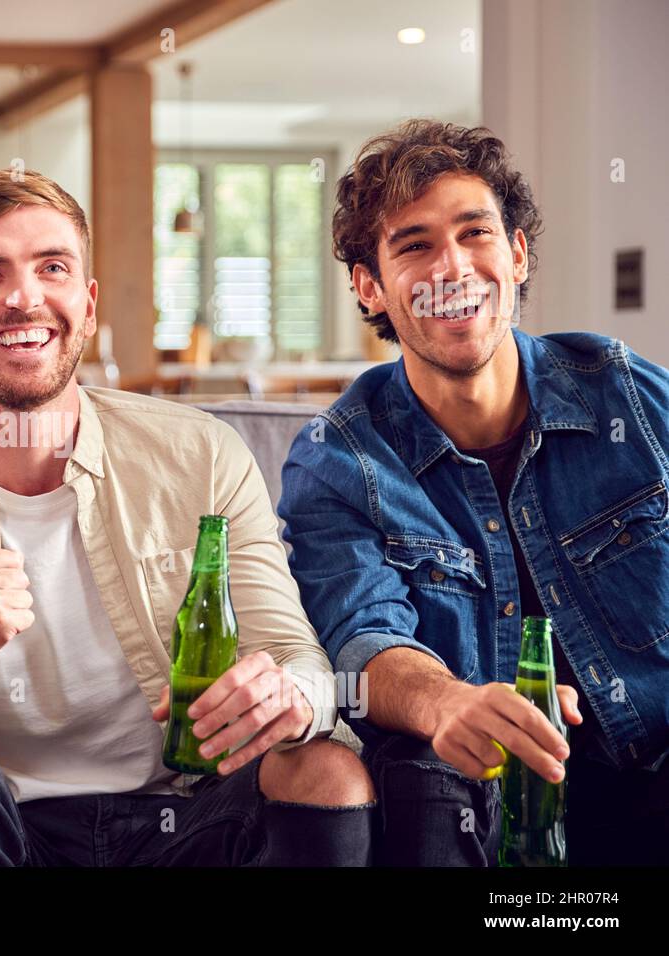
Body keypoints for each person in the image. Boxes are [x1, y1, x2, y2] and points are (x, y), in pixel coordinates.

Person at [0, 168, 376, 867]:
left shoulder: (203, 456)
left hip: (184, 816)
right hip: (0, 831)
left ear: (89, 303)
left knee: (326, 769)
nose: (23, 297)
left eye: (52, 267)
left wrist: (287, 696)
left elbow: (300, 662)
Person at [278, 119, 669, 865]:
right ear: (371, 287)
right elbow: (364, 638)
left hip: (654, 766)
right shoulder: (339, 459)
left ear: (516, 254)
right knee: (423, 781)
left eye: (474, 233)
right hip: (478, 797)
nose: (452, 267)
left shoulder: (627, 394)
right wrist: (448, 700)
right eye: (414, 245)